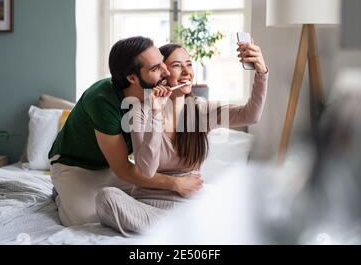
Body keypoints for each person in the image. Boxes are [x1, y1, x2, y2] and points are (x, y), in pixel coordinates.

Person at [95, 40, 269, 236]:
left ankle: (179, 227)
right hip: (147, 206)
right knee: (106, 197)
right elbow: (146, 169)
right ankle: (186, 227)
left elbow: (250, 115)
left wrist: (261, 72)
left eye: (189, 64)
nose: (187, 72)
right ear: (161, 74)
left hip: (192, 203)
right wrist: (156, 113)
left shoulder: (201, 109)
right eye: (177, 66)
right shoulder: (140, 111)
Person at [48, 36, 204, 227]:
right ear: (132, 78)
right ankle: (60, 192)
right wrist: (176, 184)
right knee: (86, 221)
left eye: (163, 63)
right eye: (156, 68)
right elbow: (122, 168)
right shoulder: (102, 100)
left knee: (139, 203)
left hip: (112, 166)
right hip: (75, 166)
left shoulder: (153, 94)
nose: (166, 72)